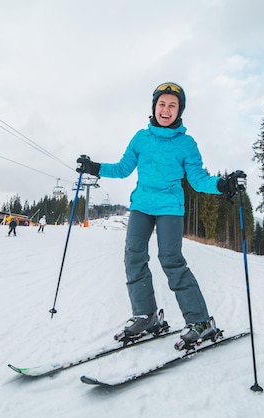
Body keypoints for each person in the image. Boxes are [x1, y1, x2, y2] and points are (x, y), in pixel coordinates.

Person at [76, 81, 244, 350]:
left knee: (171, 259)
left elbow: (198, 180)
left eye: (173, 105)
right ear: (154, 107)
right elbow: (121, 169)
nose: (166, 109)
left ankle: (200, 322)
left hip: (169, 207)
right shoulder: (141, 139)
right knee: (134, 255)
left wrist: (222, 184)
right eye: (162, 104)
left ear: (180, 111)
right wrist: (94, 167)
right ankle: (146, 316)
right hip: (142, 205)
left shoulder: (186, 144)